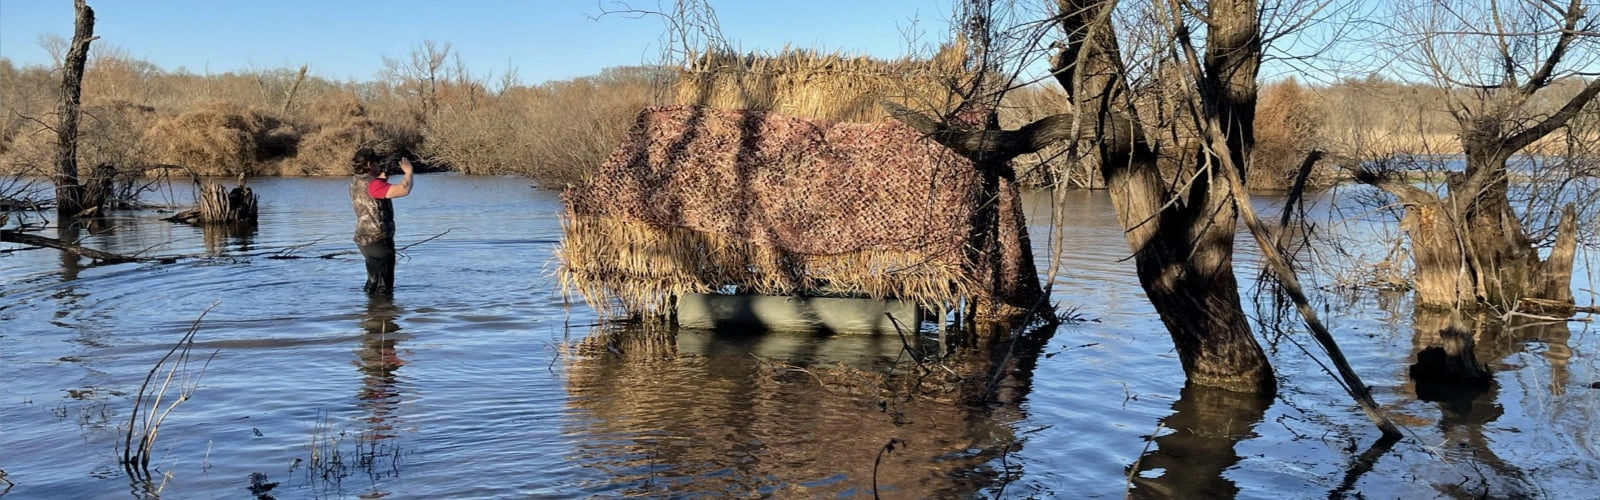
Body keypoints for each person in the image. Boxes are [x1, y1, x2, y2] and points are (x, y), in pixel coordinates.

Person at [349, 147, 414, 294]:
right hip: (379, 240)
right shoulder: (374, 185)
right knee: (384, 287)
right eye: (377, 162)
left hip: (364, 239)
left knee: (373, 284)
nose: (380, 164)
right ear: (370, 164)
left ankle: (373, 314)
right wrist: (408, 172)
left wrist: (386, 172)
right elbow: (404, 189)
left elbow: (376, 187)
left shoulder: (356, 181)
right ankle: (384, 314)